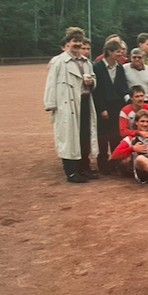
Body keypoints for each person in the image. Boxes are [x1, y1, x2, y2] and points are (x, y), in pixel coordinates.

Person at [44, 27, 98, 183]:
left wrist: (92, 82)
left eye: (80, 41)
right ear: (67, 43)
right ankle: (72, 172)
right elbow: (51, 84)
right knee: (69, 138)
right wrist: (51, 104)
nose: (77, 44)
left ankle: (84, 168)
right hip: (67, 105)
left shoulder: (86, 62)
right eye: (74, 41)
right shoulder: (59, 61)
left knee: (84, 136)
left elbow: (93, 78)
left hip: (84, 102)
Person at [93, 39, 130, 175]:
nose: (121, 54)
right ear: (109, 52)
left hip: (117, 106)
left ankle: (115, 164)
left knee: (116, 136)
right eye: (118, 52)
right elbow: (97, 91)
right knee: (103, 137)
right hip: (103, 106)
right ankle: (103, 165)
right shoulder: (97, 67)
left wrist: (128, 100)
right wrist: (102, 109)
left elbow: (123, 87)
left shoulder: (119, 67)